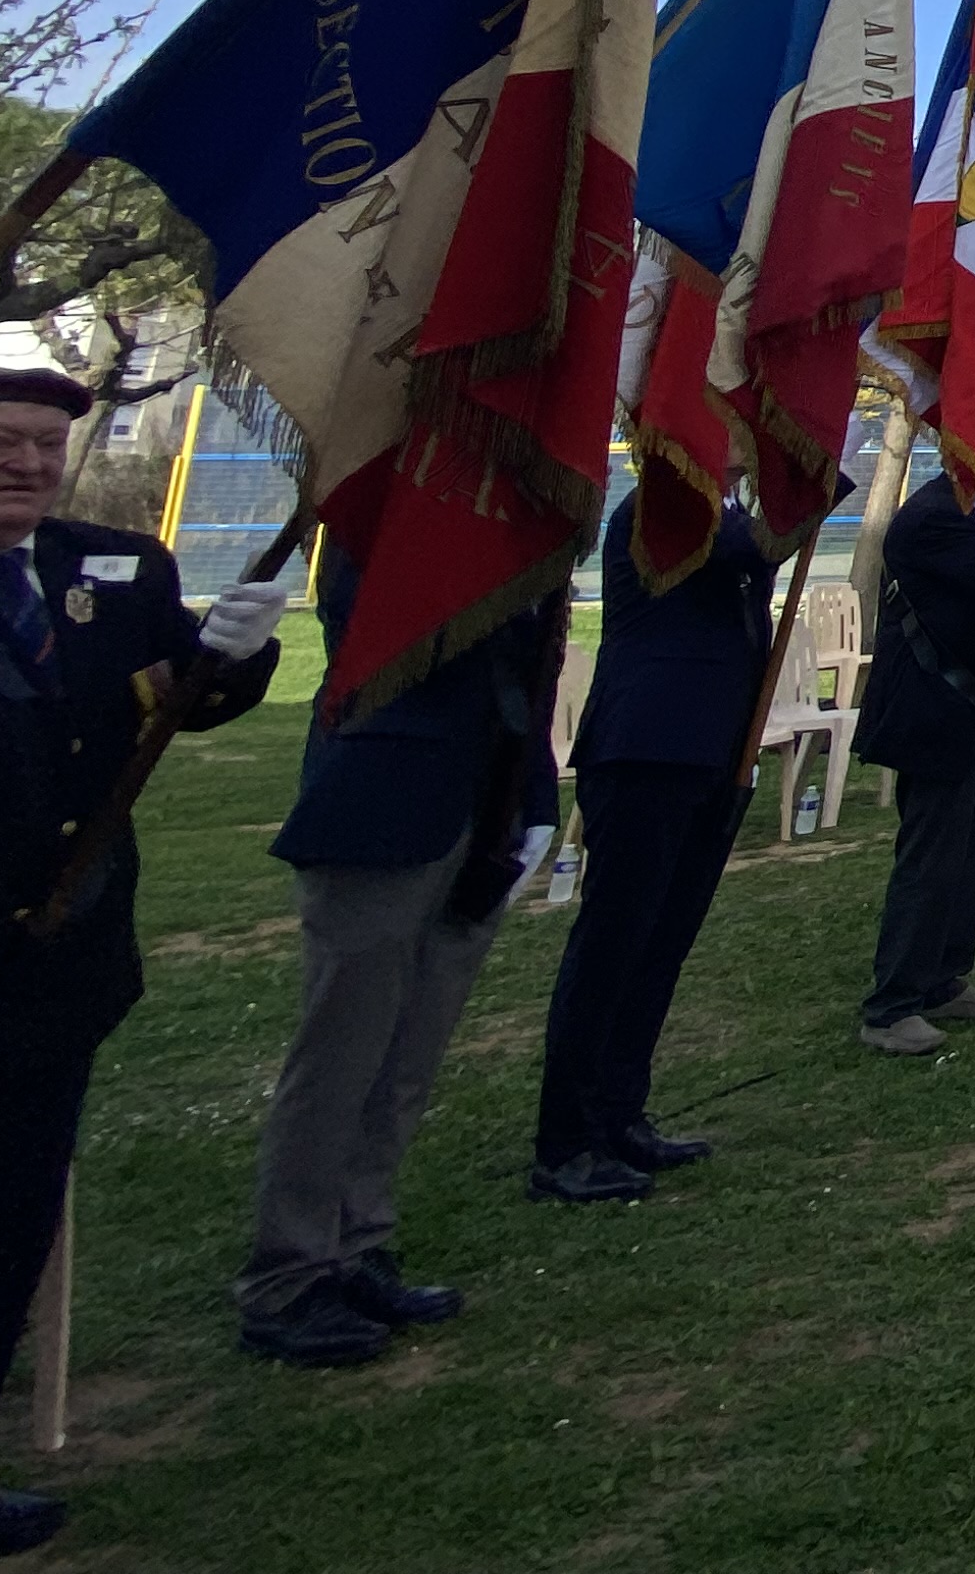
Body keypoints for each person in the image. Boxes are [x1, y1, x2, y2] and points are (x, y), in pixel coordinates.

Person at [0, 364, 286, 1547]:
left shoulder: (109, 570)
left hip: (64, 959)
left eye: (40, 448)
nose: (24, 465)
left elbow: (179, 699)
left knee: (14, 1211)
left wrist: (233, 656)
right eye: (3, 443)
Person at [239, 538, 562, 1366]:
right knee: (343, 1054)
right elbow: (375, 627)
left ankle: (358, 1241)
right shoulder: (392, 515)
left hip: (482, 808)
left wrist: (533, 800)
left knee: (410, 1054)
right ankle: (291, 1273)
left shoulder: (531, 522)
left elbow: (527, 677)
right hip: (382, 803)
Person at [528, 471, 779, 1202]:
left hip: (709, 749)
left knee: (662, 945)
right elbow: (756, 551)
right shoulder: (669, 499)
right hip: (650, 748)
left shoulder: (728, 507)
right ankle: (566, 1141)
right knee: (613, 946)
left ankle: (618, 1112)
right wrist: (820, 473)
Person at [858, 404, 975, 1053]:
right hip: (939, 713)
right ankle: (892, 1003)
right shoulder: (935, 514)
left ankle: (943, 977)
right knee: (931, 859)